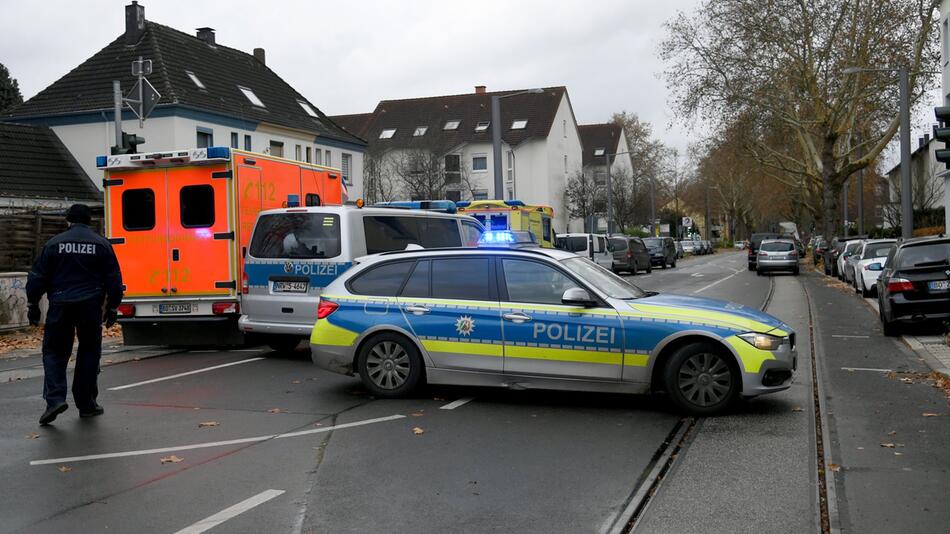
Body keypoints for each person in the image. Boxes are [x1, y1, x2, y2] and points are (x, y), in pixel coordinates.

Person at [26, 204, 123, 425]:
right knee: (89, 351)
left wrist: (33, 304)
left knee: (54, 352)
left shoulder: (54, 244)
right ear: (89, 221)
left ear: (68, 220)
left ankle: (55, 400)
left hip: (60, 304)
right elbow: (114, 280)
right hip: (90, 306)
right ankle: (86, 403)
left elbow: (37, 277)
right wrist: (113, 307)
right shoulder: (101, 244)